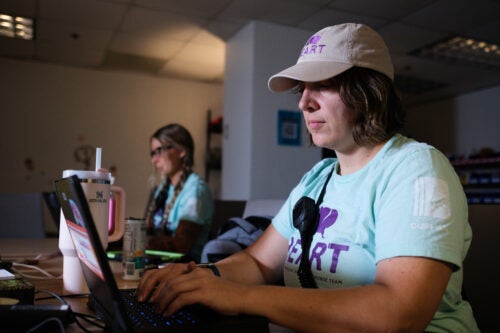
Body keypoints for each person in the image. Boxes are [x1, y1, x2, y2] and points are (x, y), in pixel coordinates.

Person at [136, 23, 480, 332]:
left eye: (324, 85)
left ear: (370, 92)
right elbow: (257, 262)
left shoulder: (416, 167)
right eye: (302, 88)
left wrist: (241, 298)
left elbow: (399, 313)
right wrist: (197, 278)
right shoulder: (318, 177)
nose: (303, 102)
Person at [144, 123, 214, 263]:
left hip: (185, 268)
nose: (154, 160)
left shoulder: (196, 190)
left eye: (160, 151)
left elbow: (181, 245)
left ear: (182, 151)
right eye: (153, 153)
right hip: (157, 264)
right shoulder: (163, 188)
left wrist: (136, 242)